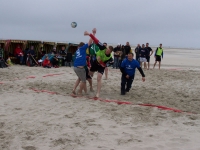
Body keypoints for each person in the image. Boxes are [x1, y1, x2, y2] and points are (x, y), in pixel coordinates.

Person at [84, 31, 114, 98]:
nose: (107, 51)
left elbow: (107, 65)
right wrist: (89, 34)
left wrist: (101, 62)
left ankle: (98, 93)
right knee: (89, 74)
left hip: (101, 66)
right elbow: (96, 40)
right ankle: (90, 86)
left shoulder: (110, 58)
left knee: (99, 77)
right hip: (95, 63)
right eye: (107, 49)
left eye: (108, 51)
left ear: (110, 52)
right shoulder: (103, 47)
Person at [72, 29, 94, 96]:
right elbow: (90, 41)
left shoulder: (77, 51)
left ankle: (75, 90)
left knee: (80, 79)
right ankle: (80, 92)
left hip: (75, 67)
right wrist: (91, 33)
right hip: (80, 68)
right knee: (83, 81)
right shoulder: (82, 48)